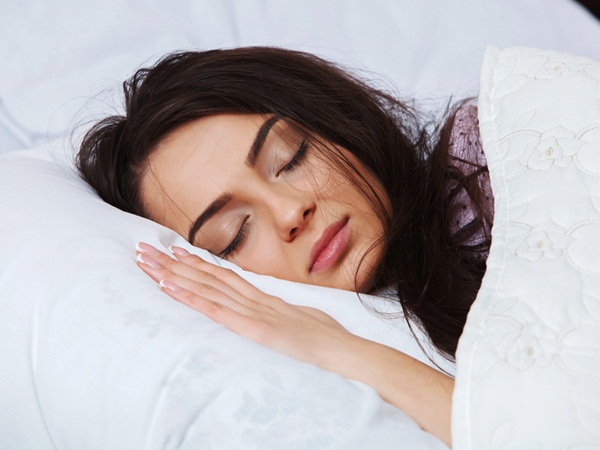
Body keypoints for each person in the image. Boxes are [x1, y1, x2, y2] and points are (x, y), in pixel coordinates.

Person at [76, 47, 494, 446]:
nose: (291, 212)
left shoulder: (485, 159)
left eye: (290, 159)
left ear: (339, 124)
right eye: (235, 233)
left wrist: (340, 351)